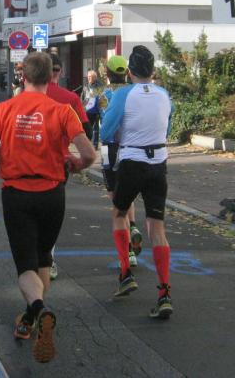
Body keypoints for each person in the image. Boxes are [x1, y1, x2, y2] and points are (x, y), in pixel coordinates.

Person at [0, 52, 95, 363]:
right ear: (52, 77)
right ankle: (30, 320)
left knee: (25, 267)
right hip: (52, 194)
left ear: (23, 76)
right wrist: (76, 164)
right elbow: (89, 154)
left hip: (17, 194)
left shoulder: (3, 109)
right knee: (43, 257)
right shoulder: (63, 110)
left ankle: (39, 309)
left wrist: (7, 146)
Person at [100, 46, 174, 320]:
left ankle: (125, 273)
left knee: (119, 213)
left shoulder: (123, 95)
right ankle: (164, 293)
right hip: (159, 164)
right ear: (153, 71)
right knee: (157, 227)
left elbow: (106, 132)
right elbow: (167, 126)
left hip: (132, 161)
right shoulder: (164, 94)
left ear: (130, 72)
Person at [45, 53, 91, 280]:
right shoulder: (70, 99)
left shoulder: (21, 97)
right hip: (59, 163)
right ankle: (49, 259)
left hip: (24, 166)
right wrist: (78, 161)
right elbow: (85, 130)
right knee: (50, 215)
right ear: (59, 72)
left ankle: (33, 260)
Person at [99, 55, 141, 269]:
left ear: (107, 73)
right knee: (127, 193)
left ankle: (129, 252)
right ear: (126, 72)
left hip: (109, 148)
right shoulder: (134, 93)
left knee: (116, 200)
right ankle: (133, 225)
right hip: (130, 146)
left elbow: (91, 114)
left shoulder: (103, 94)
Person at [82, 70, 105, 150]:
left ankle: (95, 145)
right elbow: (83, 97)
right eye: (88, 77)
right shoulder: (86, 86)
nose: (88, 78)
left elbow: (102, 98)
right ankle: (87, 144)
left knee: (95, 129)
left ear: (95, 77)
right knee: (87, 129)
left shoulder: (100, 86)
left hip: (96, 111)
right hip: (87, 111)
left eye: (90, 77)